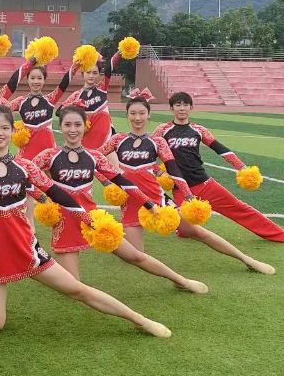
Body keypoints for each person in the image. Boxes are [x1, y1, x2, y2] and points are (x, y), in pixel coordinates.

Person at [0, 104, 172, 337]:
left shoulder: (25, 166)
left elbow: (57, 194)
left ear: (12, 131)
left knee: (77, 290)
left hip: (25, 246)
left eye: (5, 128)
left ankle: (140, 320)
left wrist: (86, 219)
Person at [34, 103, 209, 290]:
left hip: (94, 219)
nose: (73, 130)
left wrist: (149, 204)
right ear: (60, 127)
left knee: (135, 256)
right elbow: (25, 177)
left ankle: (181, 281)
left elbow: (124, 183)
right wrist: (43, 199)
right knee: (73, 287)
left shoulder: (95, 156)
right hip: (65, 221)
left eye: (78, 125)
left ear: (85, 126)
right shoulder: (48, 156)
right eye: (67, 125)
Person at [104, 90, 275, 273]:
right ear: (127, 115)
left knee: (197, 232)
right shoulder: (117, 140)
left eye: (142, 113)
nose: (137, 118)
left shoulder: (158, 142)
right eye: (133, 113)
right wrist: (109, 183)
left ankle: (247, 259)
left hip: (157, 199)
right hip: (130, 200)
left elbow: (174, 170)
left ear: (148, 115)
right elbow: (95, 160)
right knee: (135, 256)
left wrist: (188, 196)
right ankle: (181, 280)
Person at [153, 92, 284, 246]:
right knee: (185, 231)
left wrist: (242, 168)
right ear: (171, 108)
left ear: (191, 108)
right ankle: (182, 228)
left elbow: (221, 149)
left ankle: (280, 234)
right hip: (180, 189)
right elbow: (147, 154)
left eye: (185, 105)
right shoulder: (163, 130)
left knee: (238, 208)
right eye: (178, 105)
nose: (182, 108)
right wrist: (159, 171)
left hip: (204, 183)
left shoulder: (199, 130)